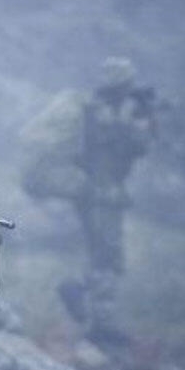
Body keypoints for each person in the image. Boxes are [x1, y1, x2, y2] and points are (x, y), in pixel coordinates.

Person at [21, 57, 156, 347]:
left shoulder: (91, 109)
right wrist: (145, 120)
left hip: (90, 190)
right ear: (123, 85)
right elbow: (136, 146)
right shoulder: (110, 114)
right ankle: (99, 319)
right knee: (108, 257)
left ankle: (93, 309)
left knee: (101, 255)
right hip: (102, 193)